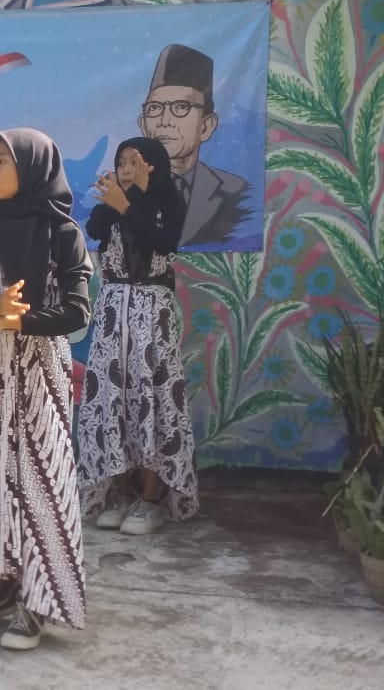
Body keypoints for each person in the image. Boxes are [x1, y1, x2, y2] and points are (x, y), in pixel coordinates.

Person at [0, 129, 92, 651]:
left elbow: (76, 312)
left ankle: (36, 601)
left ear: (32, 168)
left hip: (39, 373)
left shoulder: (63, 232)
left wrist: (10, 322)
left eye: (4, 161)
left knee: (36, 482)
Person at [76, 137, 197, 535]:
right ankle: (120, 492)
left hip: (151, 317)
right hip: (113, 315)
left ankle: (151, 499)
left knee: (152, 399)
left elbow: (159, 241)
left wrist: (131, 203)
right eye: (121, 162)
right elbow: (94, 228)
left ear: (155, 167)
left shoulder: (167, 205)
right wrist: (117, 202)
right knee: (113, 401)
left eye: (136, 162)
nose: (126, 168)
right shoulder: (113, 203)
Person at [138, 43, 252, 249]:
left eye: (181, 107)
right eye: (154, 108)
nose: (165, 121)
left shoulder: (237, 191)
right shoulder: (120, 188)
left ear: (206, 126)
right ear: (143, 124)